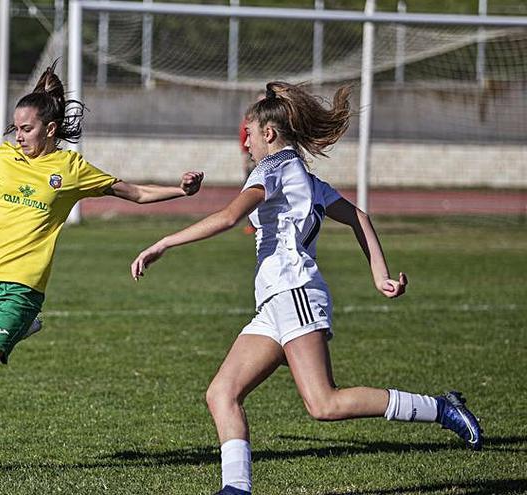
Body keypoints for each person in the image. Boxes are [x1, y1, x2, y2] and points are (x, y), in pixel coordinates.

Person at [130, 82, 482, 495]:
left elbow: (228, 218)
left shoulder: (273, 169)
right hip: (276, 303)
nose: (246, 143)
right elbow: (360, 218)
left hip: (295, 292)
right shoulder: (304, 177)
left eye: (249, 133)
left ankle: (441, 408)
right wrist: (379, 275)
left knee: (324, 404)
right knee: (221, 393)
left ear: (269, 134)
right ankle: (236, 489)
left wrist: (163, 243)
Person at [0, 62, 204, 474]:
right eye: (15, 129)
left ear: (50, 128)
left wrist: (181, 189)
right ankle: (21, 331)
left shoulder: (72, 170)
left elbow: (134, 192)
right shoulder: (5, 157)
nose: (19, 136)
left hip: (20, 290)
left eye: (26, 129)